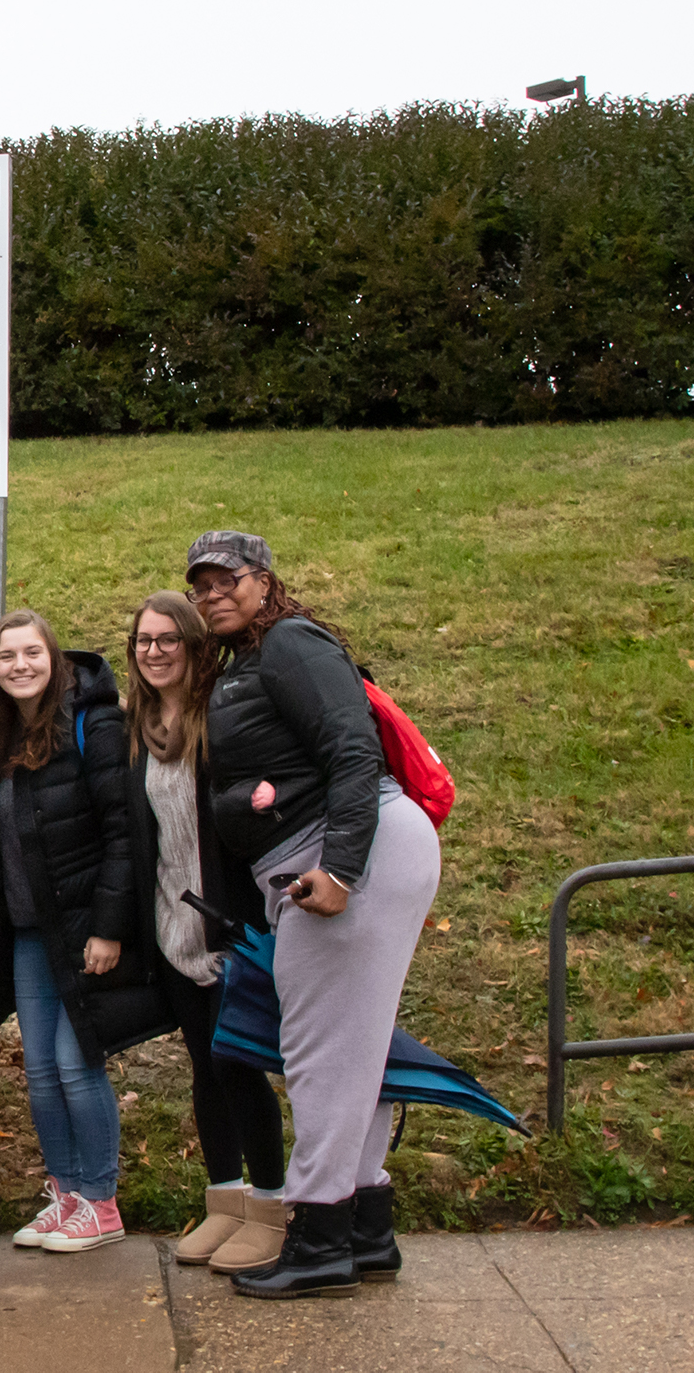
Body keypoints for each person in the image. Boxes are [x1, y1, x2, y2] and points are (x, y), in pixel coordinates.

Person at [187, 530, 442, 1299]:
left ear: (265, 581)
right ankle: (366, 1230)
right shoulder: (254, 663)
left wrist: (340, 869)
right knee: (352, 1050)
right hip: (328, 858)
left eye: (227, 579)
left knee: (322, 1055)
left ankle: (322, 1236)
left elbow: (352, 750)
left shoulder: (295, 642)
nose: (212, 594)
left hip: (344, 857)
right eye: (200, 585)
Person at [0, 609, 161, 1253]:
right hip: (27, 933)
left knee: (78, 1066)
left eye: (32, 654)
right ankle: (67, 1194)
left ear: (54, 660)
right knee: (42, 1071)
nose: (20, 666)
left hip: (83, 928)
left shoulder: (94, 725)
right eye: (6, 657)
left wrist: (109, 929)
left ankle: (101, 1202)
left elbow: (122, 832)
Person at [124, 589, 290, 1272]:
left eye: (169, 639)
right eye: (143, 641)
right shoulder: (136, 725)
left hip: (231, 920)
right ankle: (225, 1200)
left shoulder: (222, 716)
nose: (155, 651)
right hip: (171, 920)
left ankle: (272, 1208)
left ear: (196, 646)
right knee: (204, 1065)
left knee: (237, 1062)